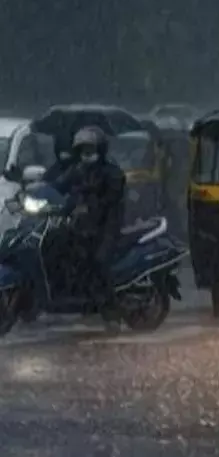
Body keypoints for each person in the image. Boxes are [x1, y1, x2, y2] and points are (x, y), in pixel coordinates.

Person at [55, 126, 127, 330]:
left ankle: (111, 313)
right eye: (83, 149)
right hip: (82, 225)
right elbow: (58, 184)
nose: (87, 153)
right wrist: (37, 188)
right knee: (62, 250)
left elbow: (111, 197)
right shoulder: (77, 169)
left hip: (107, 226)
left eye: (90, 148)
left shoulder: (112, 172)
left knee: (98, 261)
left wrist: (88, 200)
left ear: (101, 149)